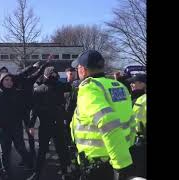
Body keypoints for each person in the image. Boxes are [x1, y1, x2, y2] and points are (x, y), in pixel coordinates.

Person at [70, 50, 136, 180]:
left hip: (101, 164)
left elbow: (108, 123)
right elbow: (131, 120)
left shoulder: (90, 89)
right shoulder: (119, 86)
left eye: (78, 68)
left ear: (83, 70)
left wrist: (121, 165)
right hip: (122, 154)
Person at [26, 66, 72, 180]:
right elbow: (34, 108)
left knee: (61, 149)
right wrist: (31, 125)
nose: (53, 76)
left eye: (55, 74)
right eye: (51, 74)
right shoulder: (39, 89)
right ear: (46, 75)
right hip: (47, 123)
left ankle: (65, 171)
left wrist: (70, 76)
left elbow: (72, 86)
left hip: (57, 123)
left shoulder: (60, 86)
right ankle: (37, 173)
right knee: (43, 150)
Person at [0, 73, 34, 177]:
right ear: (2, 81)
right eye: (6, 80)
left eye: (10, 80)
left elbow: (24, 111)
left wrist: (28, 125)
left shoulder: (18, 94)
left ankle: (31, 165)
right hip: (2, 127)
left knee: (20, 148)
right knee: (4, 151)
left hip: (16, 126)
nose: (9, 82)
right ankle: (6, 171)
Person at [128, 74, 147, 178]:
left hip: (140, 142)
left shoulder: (140, 100)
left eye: (134, 82)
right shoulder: (132, 97)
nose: (132, 84)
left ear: (143, 84)